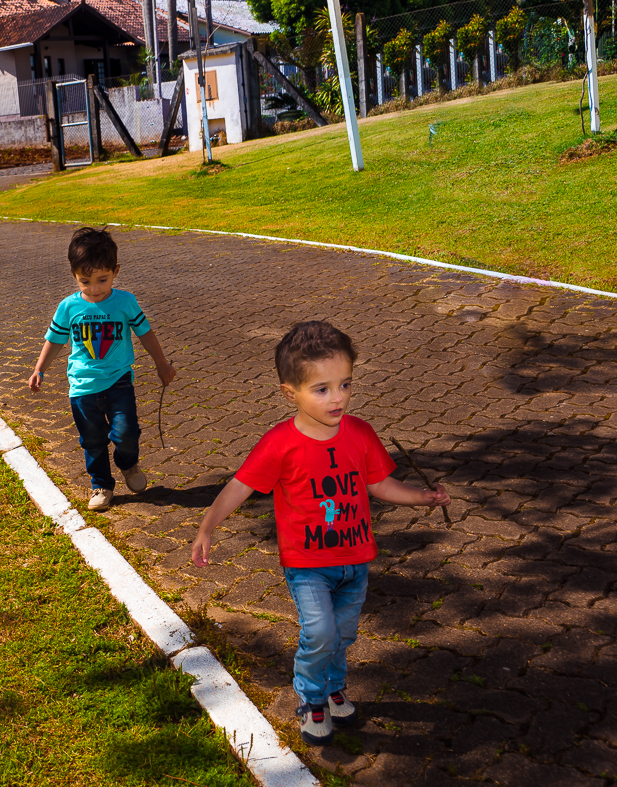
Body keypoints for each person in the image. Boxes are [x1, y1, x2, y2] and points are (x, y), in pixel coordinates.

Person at [190, 321, 450, 746]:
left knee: (343, 635)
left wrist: (423, 497)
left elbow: (380, 485)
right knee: (321, 632)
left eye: (345, 384)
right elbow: (240, 485)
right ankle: (311, 699)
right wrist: (207, 527)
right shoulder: (280, 443)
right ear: (290, 393)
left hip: (355, 562)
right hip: (308, 566)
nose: (339, 397)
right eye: (322, 389)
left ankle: (333, 687)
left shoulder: (361, 433)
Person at [29, 227, 176, 511]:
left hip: (119, 381)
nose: (94, 288)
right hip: (82, 387)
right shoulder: (68, 307)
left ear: (116, 271)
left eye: (102, 280)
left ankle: (128, 464)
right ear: (73, 274)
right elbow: (55, 340)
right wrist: (39, 369)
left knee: (126, 433)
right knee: (93, 440)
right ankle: (101, 485)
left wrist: (161, 363)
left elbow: (145, 333)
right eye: (85, 281)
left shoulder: (125, 302)